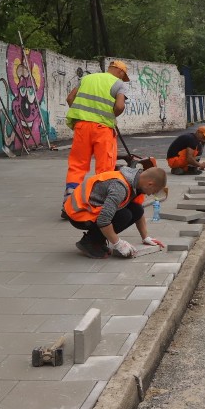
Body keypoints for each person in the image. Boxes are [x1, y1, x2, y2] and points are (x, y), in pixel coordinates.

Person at [62, 60, 130, 215]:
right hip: (103, 129)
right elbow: (119, 106)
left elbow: (70, 98)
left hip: (82, 127)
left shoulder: (87, 79)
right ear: (120, 72)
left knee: (77, 165)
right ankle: (99, 205)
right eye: (123, 76)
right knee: (104, 168)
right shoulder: (119, 84)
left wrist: (84, 114)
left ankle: (69, 205)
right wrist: (110, 116)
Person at [63, 166, 168, 259]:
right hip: (79, 213)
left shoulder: (135, 181)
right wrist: (118, 243)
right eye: (153, 192)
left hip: (89, 208)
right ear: (150, 184)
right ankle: (89, 242)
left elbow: (138, 211)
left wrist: (146, 237)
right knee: (124, 216)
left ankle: (98, 239)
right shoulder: (120, 187)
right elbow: (103, 220)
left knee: (136, 210)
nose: (150, 195)